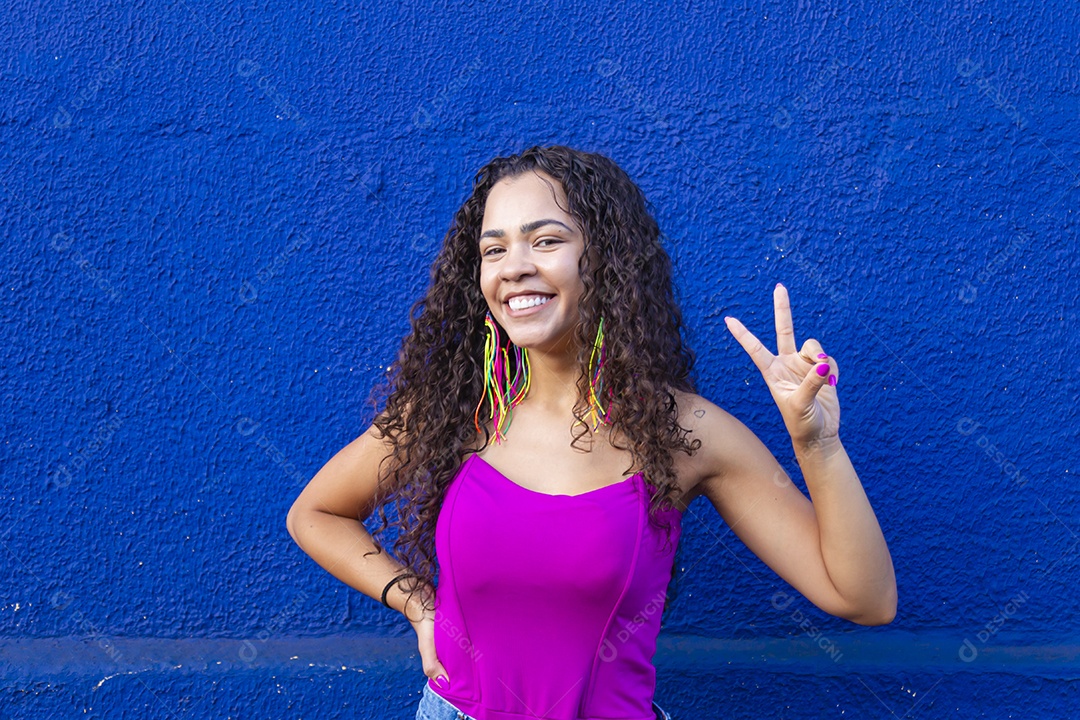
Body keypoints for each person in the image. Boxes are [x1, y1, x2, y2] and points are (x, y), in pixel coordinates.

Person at [286, 145, 896, 720]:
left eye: (546, 241)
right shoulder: (453, 412)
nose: (515, 268)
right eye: (493, 250)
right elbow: (314, 513)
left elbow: (863, 598)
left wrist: (817, 444)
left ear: (604, 258)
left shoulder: (685, 433)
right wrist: (418, 605)